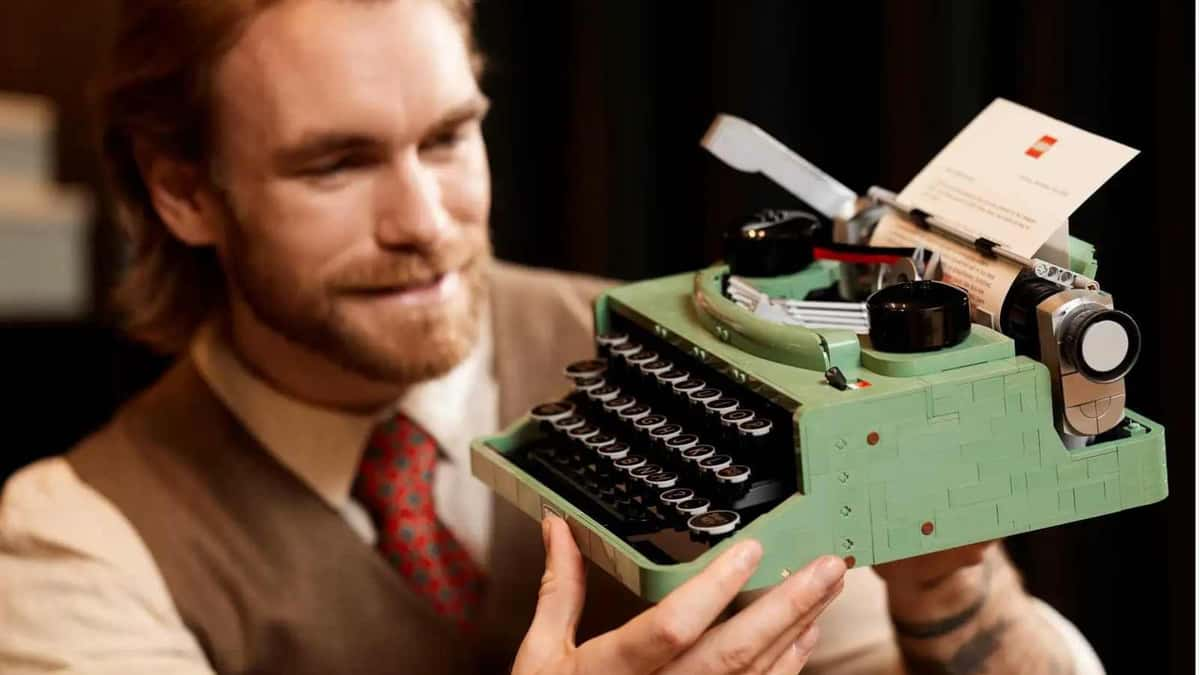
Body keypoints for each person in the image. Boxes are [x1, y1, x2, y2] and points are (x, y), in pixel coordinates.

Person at [0, 1, 1104, 673]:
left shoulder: (676, 338)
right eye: (335, 164)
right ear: (183, 191)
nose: (423, 224)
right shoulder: (75, 538)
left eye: (447, 138)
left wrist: (944, 586)